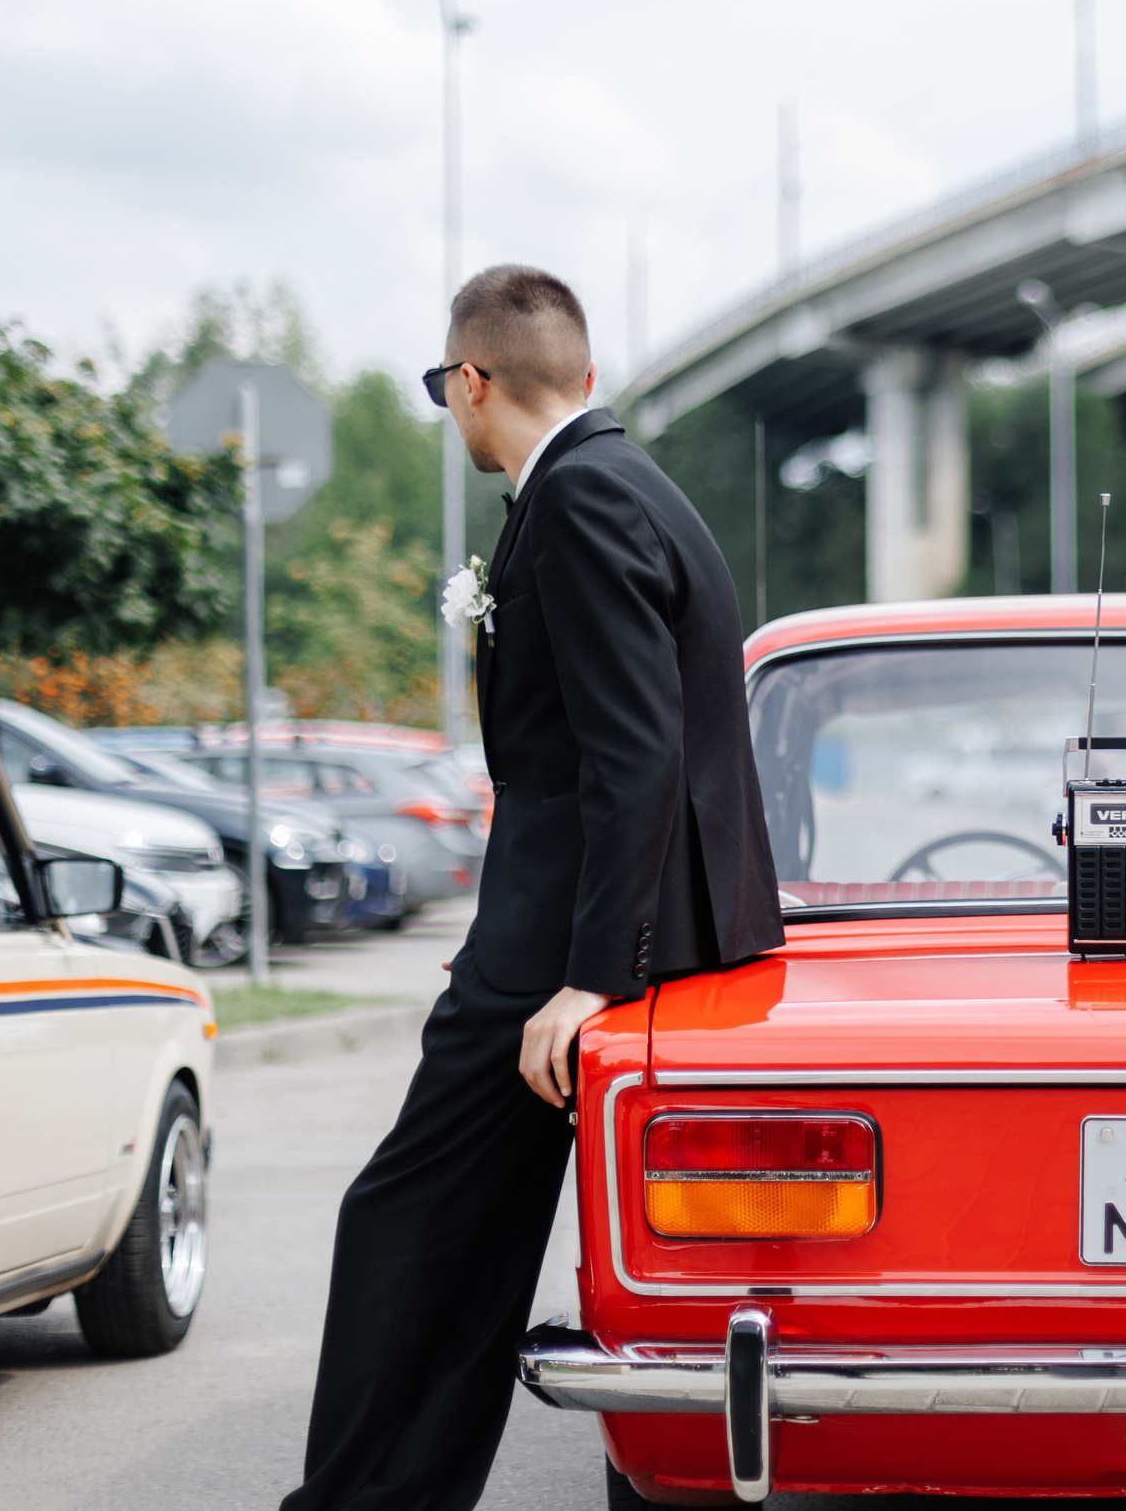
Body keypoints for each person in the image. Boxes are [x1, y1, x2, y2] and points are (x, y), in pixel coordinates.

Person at [282, 265, 783, 1511]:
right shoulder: (619, 483)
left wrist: (588, 979)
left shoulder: (578, 501)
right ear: (590, 377)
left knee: (401, 1220)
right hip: (587, 938)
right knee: (471, 1239)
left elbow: (635, 751)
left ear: (470, 381)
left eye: (440, 389)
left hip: (573, 959)